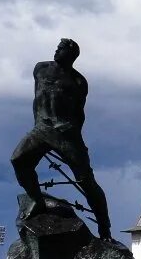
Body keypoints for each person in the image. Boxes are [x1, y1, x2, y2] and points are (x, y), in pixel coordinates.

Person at [9, 38, 115, 242]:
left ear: (72, 55)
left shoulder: (78, 82)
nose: (56, 51)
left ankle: (105, 228)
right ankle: (36, 199)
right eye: (57, 48)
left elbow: (79, 113)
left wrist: (73, 136)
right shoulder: (40, 69)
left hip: (66, 134)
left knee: (86, 181)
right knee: (18, 160)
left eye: (61, 49)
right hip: (41, 129)